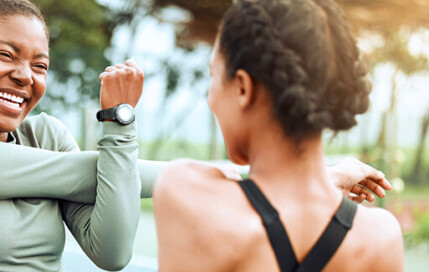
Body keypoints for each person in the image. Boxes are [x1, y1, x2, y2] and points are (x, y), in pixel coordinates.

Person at [0, 0, 392, 271]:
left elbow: (111, 253)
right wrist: (120, 122)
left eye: (39, 64)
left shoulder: (46, 131)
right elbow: (90, 171)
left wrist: (115, 138)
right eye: (5, 55)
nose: (25, 75)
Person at [153, 0, 403, 271]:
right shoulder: (381, 236)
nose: (210, 95)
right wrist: (323, 181)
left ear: (242, 88)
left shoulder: (187, 194)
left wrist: (332, 177)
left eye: (213, 74)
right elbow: (287, 197)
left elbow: (246, 187)